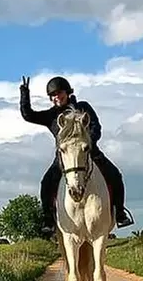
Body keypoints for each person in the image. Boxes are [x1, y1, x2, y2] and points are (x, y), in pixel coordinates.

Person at [19, 75, 133, 233]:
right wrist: (24, 93)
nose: (56, 97)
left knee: (115, 175)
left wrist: (87, 143)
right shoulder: (51, 115)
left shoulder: (83, 107)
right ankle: (48, 219)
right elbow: (28, 115)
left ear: (67, 92)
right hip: (64, 159)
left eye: (59, 93)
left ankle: (119, 213)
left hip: (89, 153)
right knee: (46, 183)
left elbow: (96, 127)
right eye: (53, 95)